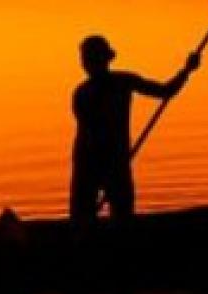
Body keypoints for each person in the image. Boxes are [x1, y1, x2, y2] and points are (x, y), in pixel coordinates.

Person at [70, 35, 200, 230]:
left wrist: (186, 70)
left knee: (117, 217)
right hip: (93, 161)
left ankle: (99, 241)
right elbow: (90, 132)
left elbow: (165, 91)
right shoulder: (85, 92)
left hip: (110, 161)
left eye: (91, 59)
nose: (89, 64)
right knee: (86, 218)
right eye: (88, 59)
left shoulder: (121, 82)